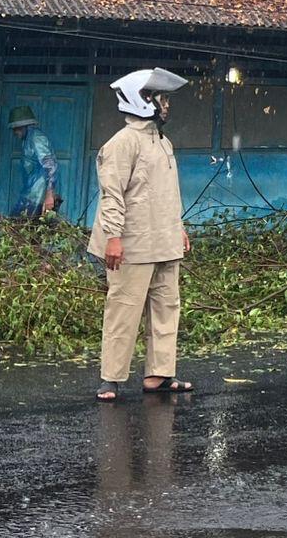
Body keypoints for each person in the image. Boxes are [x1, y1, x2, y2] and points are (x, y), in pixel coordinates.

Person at [90, 67, 193, 402]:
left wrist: (179, 227)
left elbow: (168, 192)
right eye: (160, 98)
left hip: (164, 241)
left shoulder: (162, 142)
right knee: (124, 308)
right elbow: (112, 195)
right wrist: (114, 238)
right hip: (131, 243)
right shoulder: (122, 144)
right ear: (141, 99)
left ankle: (159, 374)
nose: (166, 105)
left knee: (167, 307)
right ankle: (111, 378)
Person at [8, 106, 59, 218]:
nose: (15, 132)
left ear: (24, 126)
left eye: (17, 128)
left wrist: (49, 194)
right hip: (31, 192)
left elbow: (50, 165)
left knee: (24, 224)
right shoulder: (27, 139)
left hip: (39, 194)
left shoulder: (37, 138)